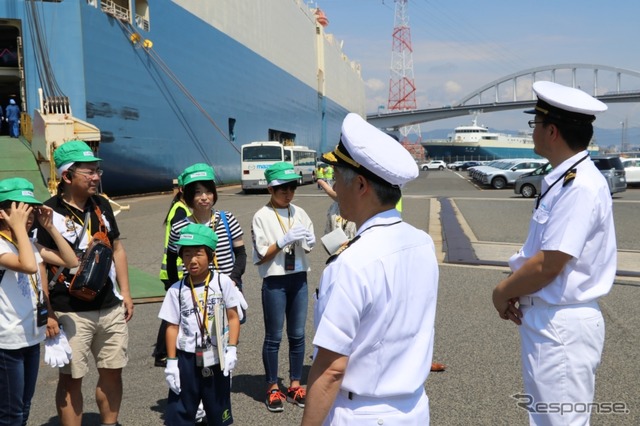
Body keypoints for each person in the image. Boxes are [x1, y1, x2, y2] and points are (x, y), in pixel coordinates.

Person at [301, 113, 438, 425]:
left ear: (360, 184)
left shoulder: (352, 262)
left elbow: (332, 368)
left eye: (337, 177)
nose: (334, 185)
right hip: (413, 408)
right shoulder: (422, 243)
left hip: (361, 412)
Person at [492, 81, 614, 426]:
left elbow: (549, 264)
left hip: (561, 322)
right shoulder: (565, 180)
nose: (533, 132)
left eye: (536, 124)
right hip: (551, 319)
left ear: (552, 131)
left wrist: (502, 291)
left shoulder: (579, 186)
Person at [34, 140, 134, 426]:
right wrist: (48, 312)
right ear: (67, 176)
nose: (96, 177)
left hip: (109, 305)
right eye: (89, 172)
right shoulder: (46, 214)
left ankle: (109, 423)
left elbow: (116, 249)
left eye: (97, 171)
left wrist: (126, 293)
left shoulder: (101, 206)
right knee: (71, 377)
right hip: (69, 309)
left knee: (113, 370)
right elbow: (39, 265)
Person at [165, 163, 247, 424]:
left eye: (208, 191)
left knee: (220, 342)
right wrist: (178, 291)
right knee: (194, 337)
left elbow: (241, 253)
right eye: (197, 192)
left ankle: (217, 391)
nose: (204, 197)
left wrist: (232, 280)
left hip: (224, 288)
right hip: (190, 291)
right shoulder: (179, 226)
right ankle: (197, 398)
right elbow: (170, 261)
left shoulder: (226, 218)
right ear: (188, 197)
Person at [0, 178, 78, 426]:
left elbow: (71, 260)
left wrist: (51, 227)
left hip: (30, 337)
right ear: (3, 213)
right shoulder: (3, 244)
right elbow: (28, 266)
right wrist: (20, 229)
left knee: (23, 408)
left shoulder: (30, 243)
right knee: (10, 415)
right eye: (21, 208)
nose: (30, 214)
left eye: (32, 208)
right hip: (6, 342)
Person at [158, 224, 241, 426]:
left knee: (218, 411)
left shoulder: (223, 283)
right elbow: (172, 327)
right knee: (181, 411)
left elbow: (233, 316)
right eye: (187, 254)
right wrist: (171, 362)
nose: (192, 260)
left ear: (211, 255)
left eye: (198, 253)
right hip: (186, 357)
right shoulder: (176, 291)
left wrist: (231, 348)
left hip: (216, 354)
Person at [251, 162, 315, 412]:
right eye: (281, 188)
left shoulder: (300, 212)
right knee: (274, 336)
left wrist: (310, 241)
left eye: (291, 187)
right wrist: (282, 241)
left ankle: (295, 384)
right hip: (275, 281)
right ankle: (272, 387)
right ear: (269, 188)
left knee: (298, 335)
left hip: (299, 278)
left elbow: (308, 245)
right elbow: (261, 255)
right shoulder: (261, 216)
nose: (287, 193)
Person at [154, 173, 190, 367]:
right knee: (172, 313)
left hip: (170, 270)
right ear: (183, 191)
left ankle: (164, 350)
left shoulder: (178, 207)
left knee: (173, 312)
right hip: (173, 271)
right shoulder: (181, 211)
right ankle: (161, 352)